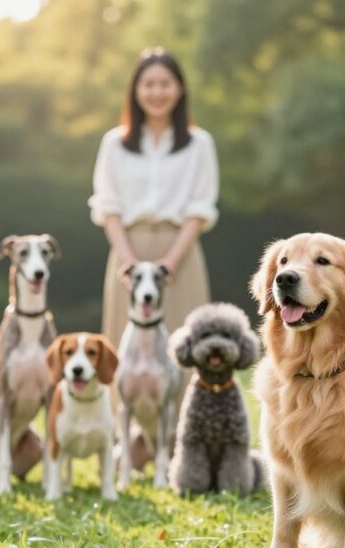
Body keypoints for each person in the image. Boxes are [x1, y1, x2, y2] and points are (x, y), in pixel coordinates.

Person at [88, 47, 218, 347]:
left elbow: (200, 208)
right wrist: (131, 263)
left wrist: (168, 265)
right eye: (148, 84)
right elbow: (108, 207)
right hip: (128, 251)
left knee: (186, 347)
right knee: (126, 349)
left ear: (180, 88)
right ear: (135, 90)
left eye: (165, 84)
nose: (157, 92)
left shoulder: (199, 144)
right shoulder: (114, 144)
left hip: (181, 255)